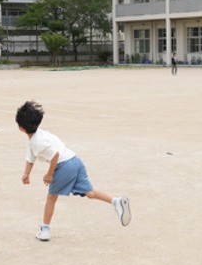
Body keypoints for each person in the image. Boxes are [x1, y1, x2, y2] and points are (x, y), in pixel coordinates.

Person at [16, 100, 130, 242]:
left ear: (21, 128)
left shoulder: (36, 142)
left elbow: (55, 155)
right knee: (90, 193)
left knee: (51, 197)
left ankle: (45, 229)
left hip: (63, 165)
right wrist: (27, 173)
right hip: (75, 160)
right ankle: (116, 201)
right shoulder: (39, 136)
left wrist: (50, 174)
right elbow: (30, 157)